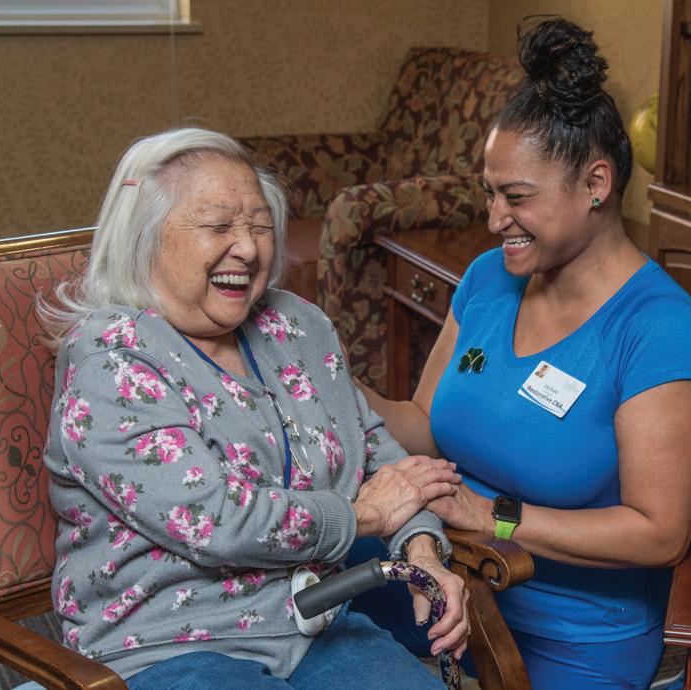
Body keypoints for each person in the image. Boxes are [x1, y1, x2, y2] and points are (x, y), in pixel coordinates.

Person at [355, 18, 691, 690]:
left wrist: (490, 516)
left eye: (516, 197)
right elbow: (424, 422)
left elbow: (660, 533)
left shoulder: (659, 332)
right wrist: (327, 383)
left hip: (568, 639)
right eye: (490, 193)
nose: (494, 219)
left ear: (596, 184)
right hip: (444, 586)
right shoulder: (488, 278)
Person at [38, 127, 469, 690]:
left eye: (260, 226)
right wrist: (366, 516)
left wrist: (422, 552)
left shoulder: (298, 325)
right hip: (167, 646)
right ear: (145, 238)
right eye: (218, 226)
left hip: (315, 620)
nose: (247, 248)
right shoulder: (111, 359)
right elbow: (218, 521)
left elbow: (381, 460)